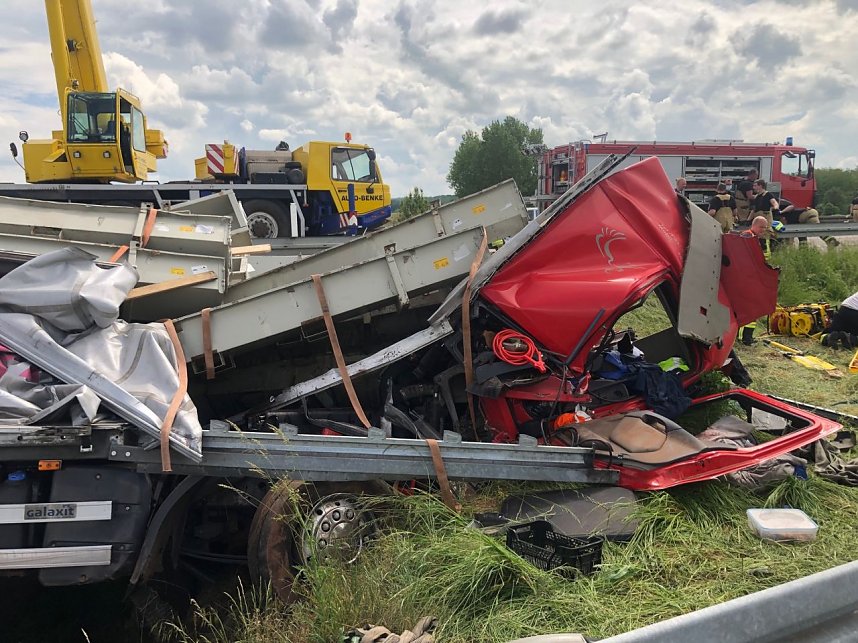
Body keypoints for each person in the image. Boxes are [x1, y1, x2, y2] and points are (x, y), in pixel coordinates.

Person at [737, 216, 774, 345]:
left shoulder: (753, 237)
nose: (764, 230)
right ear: (755, 225)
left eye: (765, 227)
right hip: (746, 279)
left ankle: (746, 337)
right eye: (762, 227)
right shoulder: (747, 236)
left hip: (750, 278)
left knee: (751, 308)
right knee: (747, 308)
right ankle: (745, 338)